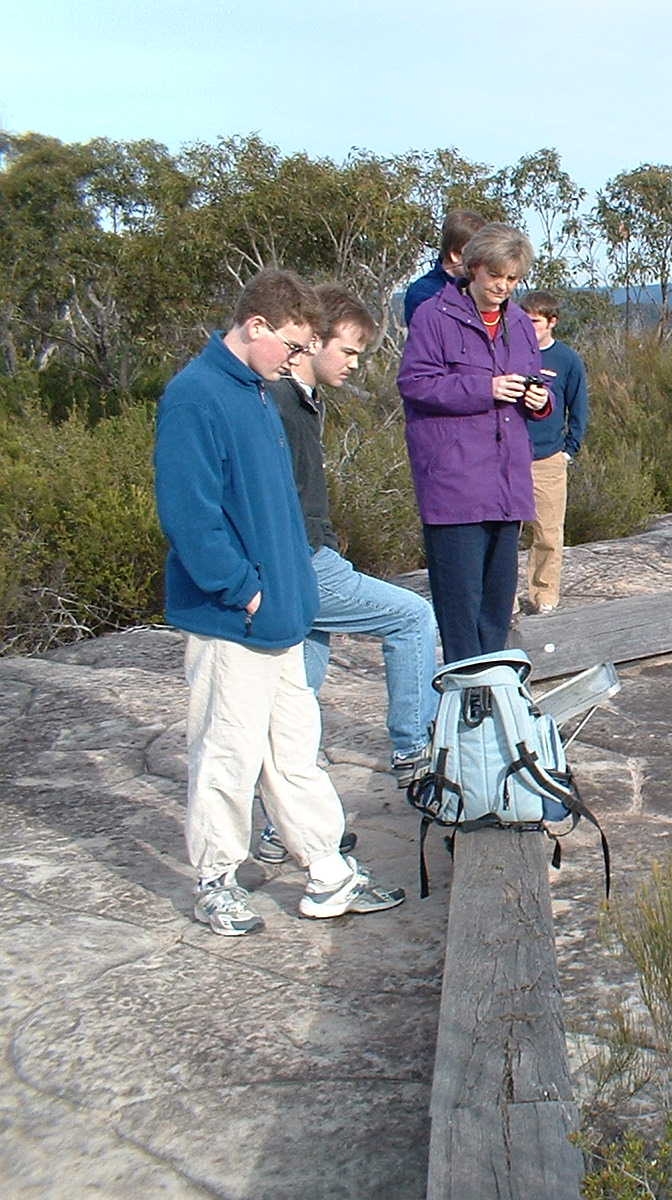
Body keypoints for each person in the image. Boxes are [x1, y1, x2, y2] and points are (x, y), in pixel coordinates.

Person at [153, 269, 405, 936]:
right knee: (227, 754)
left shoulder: (259, 394)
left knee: (295, 753)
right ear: (255, 325)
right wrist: (247, 592)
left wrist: (290, 591)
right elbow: (191, 518)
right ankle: (217, 881)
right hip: (232, 621)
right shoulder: (195, 397)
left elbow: (282, 510)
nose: (298, 359)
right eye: (292, 346)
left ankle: (329, 875)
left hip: (282, 614)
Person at [252, 285, 442, 863]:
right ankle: (414, 753)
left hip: (302, 561)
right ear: (313, 341)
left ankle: (282, 828)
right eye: (349, 350)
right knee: (411, 618)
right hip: (303, 564)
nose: (355, 364)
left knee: (298, 696)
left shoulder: (300, 400)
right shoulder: (280, 402)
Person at [398, 223, 550, 662]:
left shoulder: (519, 323)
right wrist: (486, 389)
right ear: (474, 268)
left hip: (507, 486)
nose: (503, 287)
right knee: (460, 609)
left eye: (513, 279)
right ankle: (466, 694)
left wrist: (541, 400)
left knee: (496, 609)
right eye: (495, 276)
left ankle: (493, 689)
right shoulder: (433, 315)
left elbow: (536, 381)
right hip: (455, 485)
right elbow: (415, 384)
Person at [516, 291, 589, 615]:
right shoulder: (509, 353)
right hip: (508, 458)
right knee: (504, 536)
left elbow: (579, 408)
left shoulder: (566, 359)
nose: (528, 327)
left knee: (547, 532)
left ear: (552, 322)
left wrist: (569, 450)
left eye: (534, 321)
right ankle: (503, 601)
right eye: (523, 320)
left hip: (548, 459)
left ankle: (544, 596)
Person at [403, 209, 487, 326]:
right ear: (454, 255)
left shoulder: (483, 287)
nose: (483, 261)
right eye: (476, 255)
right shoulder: (423, 293)